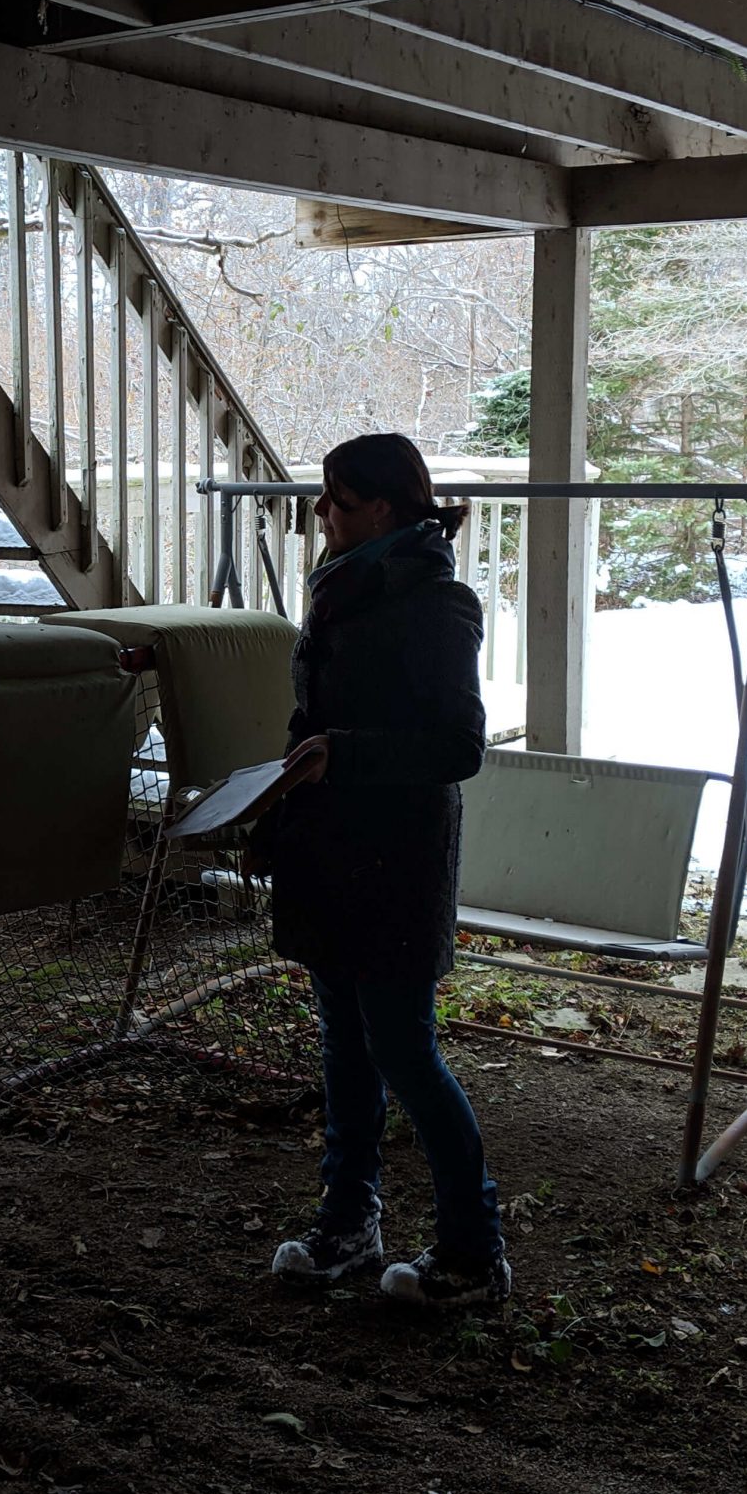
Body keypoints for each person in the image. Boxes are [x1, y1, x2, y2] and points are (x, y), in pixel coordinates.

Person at [257, 432, 508, 1308]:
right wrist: (275, 809)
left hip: (397, 862)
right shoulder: (340, 591)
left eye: (335, 500)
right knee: (344, 1049)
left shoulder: (438, 606)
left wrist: (346, 756)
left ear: (384, 511)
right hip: (327, 851)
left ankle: (473, 1252)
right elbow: (312, 721)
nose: (319, 513)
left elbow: (458, 746)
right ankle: (348, 1221)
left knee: (403, 1053)